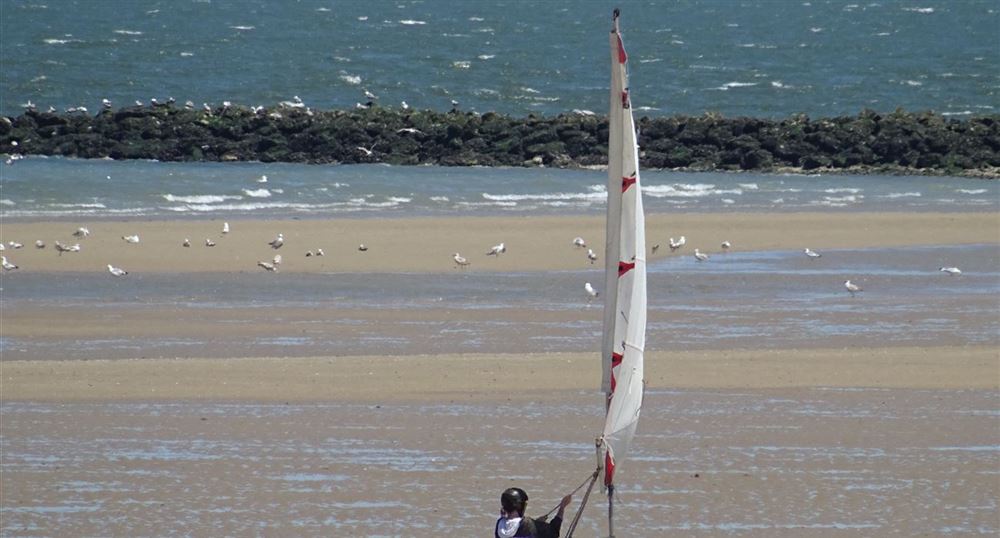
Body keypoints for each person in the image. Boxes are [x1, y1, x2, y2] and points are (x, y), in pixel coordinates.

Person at [495, 487, 573, 538]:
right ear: (520, 506)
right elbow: (554, 532)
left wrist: (536, 523)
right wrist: (562, 507)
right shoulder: (527, 524)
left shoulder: (500, 524)